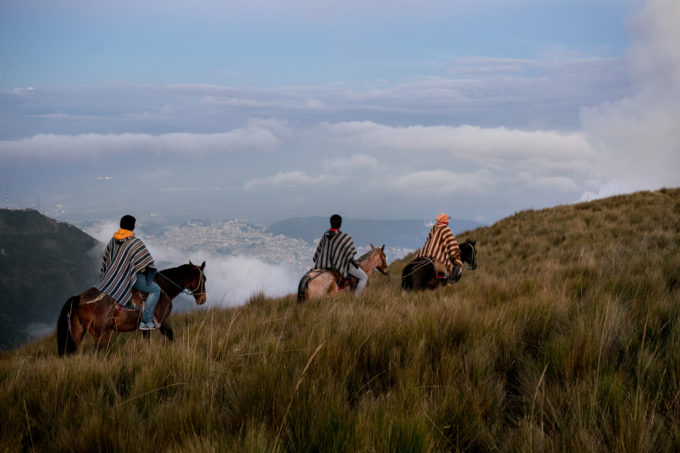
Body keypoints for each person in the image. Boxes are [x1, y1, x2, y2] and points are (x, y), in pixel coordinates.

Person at [94, 215, 161, 330]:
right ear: (133, 226)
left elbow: (106, 260)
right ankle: (146, 321)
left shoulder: (113, 240)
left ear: (121, 225)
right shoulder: (135, 242)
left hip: (112, 278)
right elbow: (144, 265)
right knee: (156, 289)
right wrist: (145, 269)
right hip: (129, 278)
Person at [313, 214, 368, 297]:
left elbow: (319, 250)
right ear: (340, 224)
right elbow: (350, 255)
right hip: (339, 265)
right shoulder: (344, 237)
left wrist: (317, 259)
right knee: (364, 277)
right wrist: (354, 262)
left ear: (330, 223)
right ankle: (356, 298)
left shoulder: (325, 235)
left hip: (324, 265)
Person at [415, 213, 462, 283]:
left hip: (430, 251)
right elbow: (451, 242)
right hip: (439, 254)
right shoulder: (445, 228)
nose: (448, 220)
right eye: (447, 219)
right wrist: (456, 252)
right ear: (444, 220)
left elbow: (429, 240)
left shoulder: (435, 227)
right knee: (456, 264)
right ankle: (450, 280)